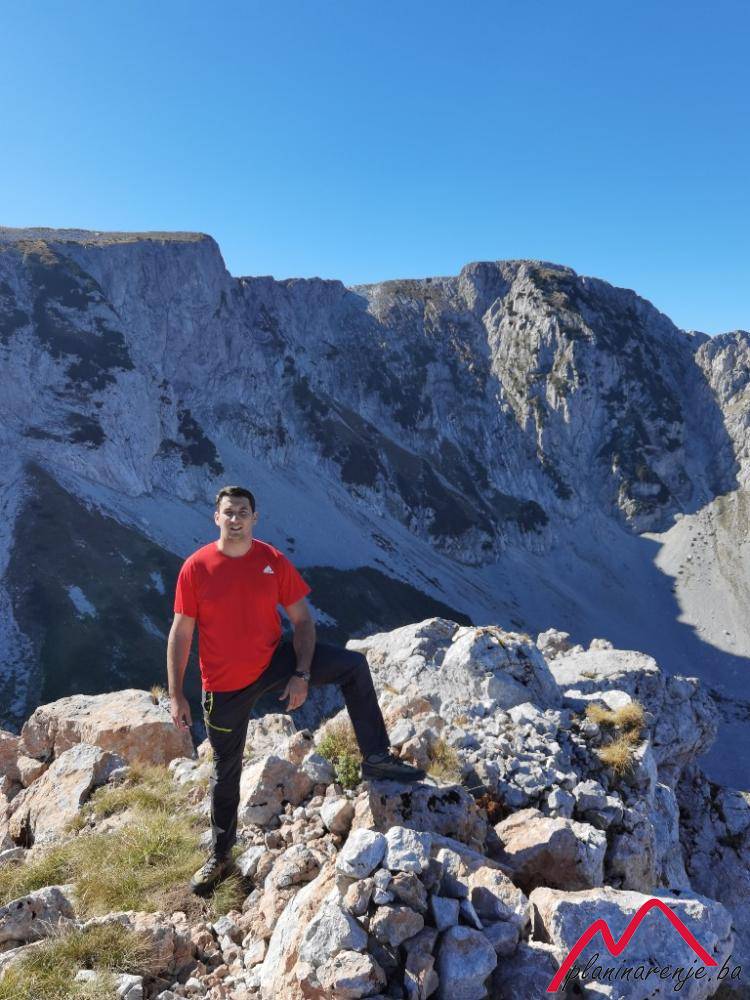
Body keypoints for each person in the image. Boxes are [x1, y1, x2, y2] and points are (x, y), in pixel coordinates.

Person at [167, 484, 425, 894]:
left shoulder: (272, 561)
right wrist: (176, 694)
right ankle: (220, 856)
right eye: (228, 512)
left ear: (255, 518)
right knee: (225, 769)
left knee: (353, 667)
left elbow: (302, 621)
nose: (235, 519)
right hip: (223, 685)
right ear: (216, 518)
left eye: (243, 512)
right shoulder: (196, 568)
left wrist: (301, 673)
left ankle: (376, 757)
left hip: (274, 661)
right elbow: (181, 633)